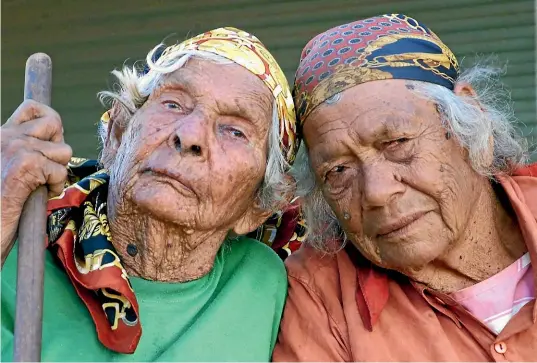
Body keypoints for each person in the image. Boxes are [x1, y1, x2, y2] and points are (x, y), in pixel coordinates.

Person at [1, 27, 301, 361]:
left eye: (234, 131)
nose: (190, 136)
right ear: (117, 134)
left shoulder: (271, 285)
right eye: (173, 103)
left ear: (260, 206)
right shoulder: (15, 241)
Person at [274, 14, 537, 361]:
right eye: (338, 170)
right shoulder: (319, 297)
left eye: (397, 142)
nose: (377, 193)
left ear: (473, 123)